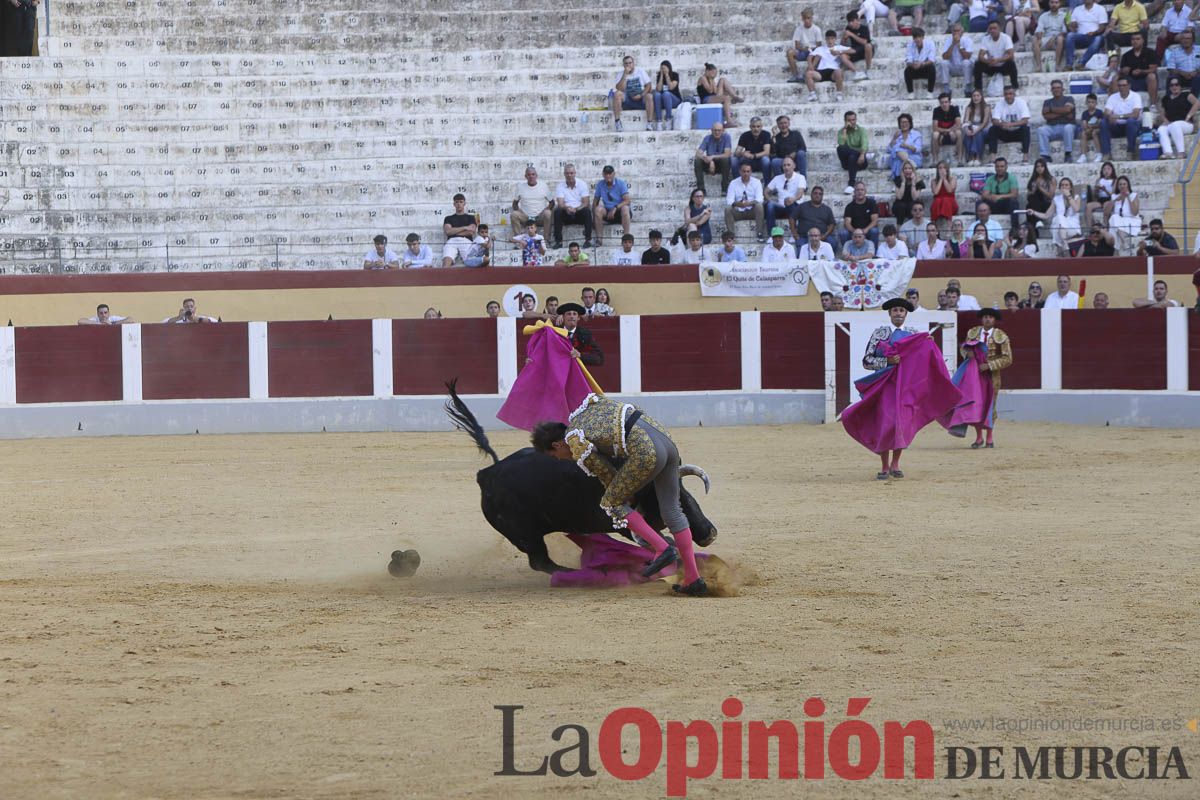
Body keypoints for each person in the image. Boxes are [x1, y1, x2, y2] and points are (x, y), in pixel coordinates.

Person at [531, 395, 707, 596]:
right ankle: (693, 579)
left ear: (556, 445)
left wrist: (624, 495)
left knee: (611, 503)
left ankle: (662, 548)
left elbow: (605, 472)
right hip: (666, 441)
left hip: (645, 451)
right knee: (673, 510)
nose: (560, 459)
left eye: (555, 456)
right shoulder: (590, 409)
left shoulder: (574, 439)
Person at [853, 297, 926, 479]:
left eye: (901, 311)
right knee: (885, 424)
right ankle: (885, 466)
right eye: (895, 311)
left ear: (906, 314)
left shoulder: (913, 334)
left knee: (902, 423)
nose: (898, 314)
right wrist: (887, 361)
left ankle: (896, 463)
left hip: (905, 387)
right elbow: (867, 361)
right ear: (890, 313)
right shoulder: (880, 334)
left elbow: (920, 362)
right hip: (885, 386)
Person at [949, 308, 1013, 448]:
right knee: (976, 405)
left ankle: (989, 438)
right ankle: (979, 438)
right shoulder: (973, 333)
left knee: (990, 405)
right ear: (981, 319)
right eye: (985, 317)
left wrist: (989, 365)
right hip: (974, 375)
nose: (987, 319)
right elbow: (963, 348)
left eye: (990, 317)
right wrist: (967, 354)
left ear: (994, 320)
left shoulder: (1001, 336)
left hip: (992, 376)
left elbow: (1008, 358)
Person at [1028, 176, 1081, 255]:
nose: (1064, 187)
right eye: (1062, 185)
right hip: (1060, 227)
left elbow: (1076, 209)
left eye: (1066, 185)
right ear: (1059, 188)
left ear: (1070, 187)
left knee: (1059, 219)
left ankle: (1061, 246)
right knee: (1058, 218)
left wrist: (1069, 196)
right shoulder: (1056, 199)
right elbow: (1046, 215)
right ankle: (1064, 244)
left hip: (1072, 226)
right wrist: (1034, 212)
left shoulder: (1076, 197)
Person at [986, 85, 1031, 163]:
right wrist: (1002, 124)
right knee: (993, 129)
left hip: (1017, 132)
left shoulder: (1021, 102)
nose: (1008, 96)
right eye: (1006, 94)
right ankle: (992, 158)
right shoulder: (1000, 103)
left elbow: (1025, 120)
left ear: (1014, 94)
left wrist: (1011, 124)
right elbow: (994, 120)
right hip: (1005, 132)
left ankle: (1025, 157)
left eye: (1010, 94)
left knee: (1026, 129)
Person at [765, 156, 807, 239]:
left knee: (789, 202)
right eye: (784, 165)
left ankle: (793, 232)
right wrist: (769, 200)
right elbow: (766, 191)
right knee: (770, 205)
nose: (786, 167)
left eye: (788, 165)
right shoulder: (777, 178)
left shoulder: (800, 177)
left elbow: (800, 193)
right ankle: (771, 235)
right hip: (781, 207)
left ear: (794, 166)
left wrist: (793, 199)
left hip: (795, 206)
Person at [1158, 77, 1200, 157]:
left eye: (1176, 85)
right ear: (1169, 87)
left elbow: (1197, 103)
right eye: (1172, 85)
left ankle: (1181, 152)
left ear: (1180, 86)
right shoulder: (1166, 99)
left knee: (1175, 125)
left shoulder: (1186, 95)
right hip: (1171, 124)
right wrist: (1165, 120)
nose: (1174, 87)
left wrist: (1189, 115)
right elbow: (1162, 113)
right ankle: (1168, 152)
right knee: (1161, 129)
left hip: (1186, 124)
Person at [554, 163, 593, 249]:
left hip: (579, 212)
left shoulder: (582, 184)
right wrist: (567, 208)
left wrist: (576, 209)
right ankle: (558, 241)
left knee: (587, 211)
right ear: (564, 174)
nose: (569, 175)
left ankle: (588, 240)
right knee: (557, 211)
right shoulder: (560, 186)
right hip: (566, 212)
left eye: (571, 173)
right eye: (567, 173)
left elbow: (586, 202)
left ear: (575, 173)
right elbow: (560, 203)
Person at [725, 162, 766, 243]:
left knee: (759, 206)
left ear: (751, 172)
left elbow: (760, 199)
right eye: (744, 171)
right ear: (740, 171)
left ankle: (760, 233)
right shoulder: (733, 183)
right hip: (738, 211)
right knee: (728, 209)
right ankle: (731, 236)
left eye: (748, 171)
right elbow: (729, 201)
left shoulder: (757, 182)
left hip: (752, 211)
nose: (746, 174)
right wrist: (738, 204)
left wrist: (749, 203)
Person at [611, 55, 654, 132]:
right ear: (623, 65)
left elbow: (649, 85)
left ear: (633, 63)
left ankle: (649, 123)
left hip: (641, 99)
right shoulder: (621, 74)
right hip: (628, 100)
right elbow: (619, 88)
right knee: (617, 94)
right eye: (626, 63)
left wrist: (641, 95)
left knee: (649, 96)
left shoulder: (640, 71)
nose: (628, 65)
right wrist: (625, 75)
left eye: (630, 63)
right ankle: (617, 122)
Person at [805, 29, 851, 102]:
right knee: (808, 73)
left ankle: (839, 94)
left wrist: (839, 52)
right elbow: (809, 57)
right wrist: (810, 65)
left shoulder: (839, 47)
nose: (830, 41)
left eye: (832, 38)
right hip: (821, 72)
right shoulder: (820, 48)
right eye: (828, 39)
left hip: (833, 72)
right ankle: (812, 94)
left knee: (839, 72)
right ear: (825, 39)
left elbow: (852, 50)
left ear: (835, 39)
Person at [592, 165, 631, 246]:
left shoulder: (621, 183)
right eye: (606, 174)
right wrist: (594, 217)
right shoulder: (600, 184)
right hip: (608, 213)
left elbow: (627, 200)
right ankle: (599, 240)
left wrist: (615, 208)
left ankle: (626, 238)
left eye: (610, 174)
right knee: (598, 209)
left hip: (620, 212)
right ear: (603, 174)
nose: (608, 176)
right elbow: (595, 201)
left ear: (614, 174)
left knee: (625, 208)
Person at [1064, 0, 1109, 71]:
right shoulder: (1077, 9)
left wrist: (1094, 33)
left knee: (1099, 38)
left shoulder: (1100, 9)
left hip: (1095, 36)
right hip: (1081, 36)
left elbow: (1102, 27)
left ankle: (1081, 63)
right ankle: (1069, 64)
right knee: (1070, 35)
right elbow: (1072, 24)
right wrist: (1071, 25)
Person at [974, 21, 1018, 93]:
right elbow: (980, 56)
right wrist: (988, 61)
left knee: (1011, 63)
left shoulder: (1006, 38)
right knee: (978, 64)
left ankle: (1015, 87)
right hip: (991, 66)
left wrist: (998, 60)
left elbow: (1011, 55)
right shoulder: (986, 39)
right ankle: (978, 89)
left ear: (999, 29)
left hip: (1003, 66)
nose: (992, 30)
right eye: (990, 28)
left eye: (994, 28)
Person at [1038, 80, 1076, 163]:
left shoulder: (1069, 99)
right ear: (1051, 90)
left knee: (1068, 128)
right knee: (1041, 130)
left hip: (1066, 127)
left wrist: (1051, 110)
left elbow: (1068, 109)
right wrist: (1064, 113)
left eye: (1058, 87)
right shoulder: (1047, 102)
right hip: (1051, 127)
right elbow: (1046, 115)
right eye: (1054, 88)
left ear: (1063, 89)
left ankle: (1068, 154)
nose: (1056, 90)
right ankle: (1045, 156)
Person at [1104, 79, 1144, 157]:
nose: (1121, 88)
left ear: (1129, 86)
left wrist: (1118, 116)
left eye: (1124, 85)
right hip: (1117, 126)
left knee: (1131, 121)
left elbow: (1135, 114)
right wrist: (1109, 116)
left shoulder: (1136, 96)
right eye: (1119, 86)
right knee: (1104, 122)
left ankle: (1131, 151)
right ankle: (1106, 153)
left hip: (1132, 127)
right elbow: (1106, 112)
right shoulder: (1113, 97)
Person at [511, 166, 554, 238]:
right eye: (529, 175)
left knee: (548, 213)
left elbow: (552, 202)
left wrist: (546, 209)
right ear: (525, 176)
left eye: (533, 174)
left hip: (539, 217)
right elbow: (515, 204)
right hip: (526, 217)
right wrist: (520, 211)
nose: (531, 176)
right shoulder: (520, 187)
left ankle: (546, 240)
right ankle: (518, 241)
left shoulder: (543, 186)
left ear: (536, 175)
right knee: (514, 214)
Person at [696, 63, 743, 127]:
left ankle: (734, 96)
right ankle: (729, 121)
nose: (714, 75)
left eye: (715, 73)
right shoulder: (702, 78)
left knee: (722, 80)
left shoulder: (711, 79)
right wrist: (711, 79)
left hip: (713, 97)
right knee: (726, 98)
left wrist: (712, 80)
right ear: (707, 71)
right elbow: (709, 90)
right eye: (712, 72)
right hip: (706, 99)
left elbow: (715, 92)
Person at [1119, 32, 1160, 106]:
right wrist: (1124, 70)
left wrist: (1142, 71)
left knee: (1152, 76)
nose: (1135, 41)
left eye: (1138, 39)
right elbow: (1122, 71)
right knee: (1116, 78)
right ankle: (1116, 105)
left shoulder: (1150, 52)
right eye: (1133, 39)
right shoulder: (1126, 55)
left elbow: (1153, 69)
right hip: (1131, 82)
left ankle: (1153, 105)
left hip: (1146, 82)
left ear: (1143, 40)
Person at [693, 122, 734, 193]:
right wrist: (710, 161)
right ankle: (701, 189)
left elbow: (727, 154)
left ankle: (724, 189)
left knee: (726, 160)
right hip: (709, 164)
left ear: (723, 130)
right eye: (715, 130)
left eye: (719, 130)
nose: (717, 132)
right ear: (711, 130)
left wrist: (712, 157)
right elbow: (698, 153)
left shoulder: (727, 137)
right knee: (697, 161)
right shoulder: (707, 138)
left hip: (721, 165)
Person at [787, 8, 825, 82]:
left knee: (819, 54)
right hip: (803, 51)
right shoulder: (799, 29)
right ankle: (796, 75)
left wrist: (812, 52)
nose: (807, 20)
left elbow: (819, 46)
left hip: (813, 51)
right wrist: (803, 49)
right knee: (790, 52)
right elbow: (797, 45)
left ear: (812, 18)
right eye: (805, 18)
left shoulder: (816, 29)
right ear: (802, 19)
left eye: (808, 18)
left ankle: (806, 75)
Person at [938, 23, 977, 95]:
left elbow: (967, 56)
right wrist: (952, 44)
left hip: (963, 67)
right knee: (944, 63)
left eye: (958, 31)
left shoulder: (967, 40)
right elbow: (945, 57)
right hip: (953, 67)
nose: (956, 33)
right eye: (954, 31)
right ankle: (946, 88)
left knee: (966, 62)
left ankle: (968, 87)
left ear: (962, 31)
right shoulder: (948, 40)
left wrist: (959, 45)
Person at [839, 181, 880, 249]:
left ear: (865, 192)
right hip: (854, 232)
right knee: (843, 233)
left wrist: (865, 230)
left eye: (862, 190)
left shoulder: (871, 203)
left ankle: (873, 255)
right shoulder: (849, 206)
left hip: (867, 231)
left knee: (874, 231)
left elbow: (875, 221)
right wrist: (856, 232)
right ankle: (847, 254)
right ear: (854, 192)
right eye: (857, 190)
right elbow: (847, 223)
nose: (860, 192)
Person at [836, 110, 869, 193]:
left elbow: (865, 144)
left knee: (852, 156)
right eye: (849, 120)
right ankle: (854, 155)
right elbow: (841, 144)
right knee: (840, 148)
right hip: (847, 163)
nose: (851, 122)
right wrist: (845, 131)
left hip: (860, 161)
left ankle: (851, 184)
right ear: (845, 121)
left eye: (853, 120)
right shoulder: (841, 131)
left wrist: (861, 155)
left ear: (856, 120)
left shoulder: (861, 130)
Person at [1107, 175, 1141, 255]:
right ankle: (1124, 242)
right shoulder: (1114, 196)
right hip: (1119, 222)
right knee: (1113, 217)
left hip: (1132, 221)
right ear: (1117, 186)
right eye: (1120, 184)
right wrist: (1115, 200)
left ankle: (1116, 252)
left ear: (1128, 185)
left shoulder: (1133, 195)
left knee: (1114, 229)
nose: (1122, 186)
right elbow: (1106, 212)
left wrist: (1128, 197)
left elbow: (1135, 212)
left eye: (1124, 184)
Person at [732, 117, 773, 181]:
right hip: (748, 161)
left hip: (760, 160)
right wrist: (743, 153)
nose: (756, 129)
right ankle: (737, 183)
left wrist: (753, 156)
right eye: (753, 126)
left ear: (761, 127)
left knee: (766, 160)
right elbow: (736, 153)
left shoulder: (766, 134)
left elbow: (766, 152)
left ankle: (767, 183)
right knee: (734, 160)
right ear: (750, 127)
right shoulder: (744, 135)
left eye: (758, 126)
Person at [981, 157, 1019, 221]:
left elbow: (1015, 194)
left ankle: (1014, 228)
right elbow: (984, 194)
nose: (999, 169)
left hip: (1006, 204)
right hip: (993, 204)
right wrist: (992, 197)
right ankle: (979, 226)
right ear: (995, 168)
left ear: (1006, 167)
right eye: (997, 166)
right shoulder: (990, 179)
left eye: (1002, 166)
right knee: (980, 203)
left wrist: (1000, 196)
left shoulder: (1012, 178)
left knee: (1013, 202)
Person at [1034, 0, 1068, 72]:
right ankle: (1039, 66)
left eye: (1056, 3)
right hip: (1046, 38)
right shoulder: (1043, 16)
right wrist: (1039, 34)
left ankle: (1057, 65)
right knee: (1035, 40)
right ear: (1049, 4)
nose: (1054, 5)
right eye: (1052, 2)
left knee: (1060, 39)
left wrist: (1054, 38)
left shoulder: (1064, 15)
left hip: (1058, 39)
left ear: (1060, 4)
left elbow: (1064, 32)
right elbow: (1038, 29)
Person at [1164, 28, 1200, 97]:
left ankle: (1193, 102)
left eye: (1188, 38)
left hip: (1197, 75)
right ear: (1180, 40)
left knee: (1198, 78)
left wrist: (1196, 72)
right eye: (1183, 38)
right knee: (1171, 78)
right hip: (1181, 77)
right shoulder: (1175, 51)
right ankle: (1169, 102)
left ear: (1193, 40)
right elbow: (1171, 68)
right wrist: (1182, 73)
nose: (1186, 41)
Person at [887, 113, 924, 178]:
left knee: (897, 161)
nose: (904, 124)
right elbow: (889, 150)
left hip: (913, 158)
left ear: (910, 123)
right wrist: (894, 138)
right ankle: (909, 164)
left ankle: (899, 181)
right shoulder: (897, 135)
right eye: (901, 122)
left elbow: (918, 149)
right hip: (901, 160)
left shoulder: (916, 134)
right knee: (896, 150)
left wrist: (907, 146)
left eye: (906, 122)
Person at [1078, 94, 1112, 163]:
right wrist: (1088, 128)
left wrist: (1091, 127)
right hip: (1089, 130)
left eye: (1092, 102)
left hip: (1097, 130)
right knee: (1083, 133)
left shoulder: (1099, 112)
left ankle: (1099, 153)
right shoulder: (1085, 113)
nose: (1090, 104)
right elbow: (1084, 124)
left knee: (1094, 133)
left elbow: (1099, 124)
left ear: (1096, 103)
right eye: (1089, 102)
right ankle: (1083, 155)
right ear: (1086, 103)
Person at [904, 28, 937, 98]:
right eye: (915, 37)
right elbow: (908, 60)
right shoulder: (910, 45)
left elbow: (931, 59)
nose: (918, 39)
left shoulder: (930, 44)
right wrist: (913, 64)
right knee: (907, 71)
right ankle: (910, 93)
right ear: (913, 38)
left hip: (925, 67)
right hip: (915, 67)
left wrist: (922, 64)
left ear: (923, 37)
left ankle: (930, 92)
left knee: (932, 68)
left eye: (919, 37)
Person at [962, 89, 992, 167]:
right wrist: (966, 130)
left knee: (977, 134)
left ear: (981, 97)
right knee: (968, 135)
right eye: (974, 96)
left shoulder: (986, 107)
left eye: (978, 95)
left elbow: (984, 123)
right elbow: (965, 121)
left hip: (984, 129)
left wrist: (976, 130)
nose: (976, 98)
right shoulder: (969, 108)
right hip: (972, 128)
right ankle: (971, 158)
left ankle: (977, 157)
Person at [892, 161, 925, 228]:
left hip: (912, 204)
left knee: (912, 206)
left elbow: (914, 198)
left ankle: (913, 228)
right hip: (899, 204)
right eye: (905, 168)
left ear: (913, 170)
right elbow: (899, 197)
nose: (907, 170)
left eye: (910, 168)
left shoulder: (918, 182)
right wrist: (903, 182)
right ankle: (899, 229)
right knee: (901, 206)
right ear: (902, 170)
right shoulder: (898, 179)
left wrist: (913, 182)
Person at [931, 94, 963, 163]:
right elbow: (935, 127)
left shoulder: (954, 109)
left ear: (949, 102)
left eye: (946, 102)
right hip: (941, 134)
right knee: (935, 134)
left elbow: (958, 124)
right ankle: (935, 160)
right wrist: (947, 131)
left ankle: (959, 159)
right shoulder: (936, 110)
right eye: (942, 102)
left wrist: (950, 131)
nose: (944, 104)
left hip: (952, 134)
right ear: (939, 103)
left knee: (959, 133)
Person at [1025, 158, 1055, 232]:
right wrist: (1033, 191)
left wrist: (1040, 188)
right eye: (1037, 166)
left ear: (1045, 167)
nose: (1039, 168)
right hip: (1034, 202)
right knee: (1029, 204)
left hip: (1046, 203)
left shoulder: (1051, 179)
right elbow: (1028, 196)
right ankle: (1037, 223)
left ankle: (1036, 224)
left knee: (1029, 207)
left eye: (1042, 166)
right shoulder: (1033, 179)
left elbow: (1051, 196)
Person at [841, 12, 873, 78]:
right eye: (849, 21)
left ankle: (868, 69)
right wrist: (844, 37)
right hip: (855, 50)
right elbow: (842, 45)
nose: (851, 23)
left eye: (852, 21)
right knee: (843, 56)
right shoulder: (848, 28)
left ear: (857, 20)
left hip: (865, 50)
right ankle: (857, 72)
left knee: (868, 46)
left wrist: (851, 34)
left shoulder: (864, 28)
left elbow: (865, 42)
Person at [1085, 160, 1118, 226]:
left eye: (1108, 169)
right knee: (1088, 206)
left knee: (1106, 206)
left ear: (1112, 170)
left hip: (1109, 199)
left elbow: (1113, 195)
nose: (1106, 171)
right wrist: (1096, 190)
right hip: (1100, 200)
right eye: (1104, 169)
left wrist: (1105, 190)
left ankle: (1105, 226)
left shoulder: (1115, 180)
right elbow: (1094, 196)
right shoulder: (1099, 180)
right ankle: (1090, 227)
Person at [652, 60, 682, 131]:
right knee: (656, 95)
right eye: (662, 68)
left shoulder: (675, 75)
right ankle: (659, 121)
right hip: (663, 100)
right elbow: (658, 89)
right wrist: (662, 76)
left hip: (674, 99)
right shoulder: (659, 76)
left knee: (666, 94)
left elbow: (671, 87)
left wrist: (667, 75)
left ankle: (669, 119)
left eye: (664, 68)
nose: (663, 70)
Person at [930, 162, 959, 230]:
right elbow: (936, 192)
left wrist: (945, 179)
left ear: (947, 169)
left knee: (946, 200)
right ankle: (934, 226)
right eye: (940, 168)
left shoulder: (952, 179)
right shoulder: (933, 181)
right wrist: (940, 179)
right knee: (937, 200)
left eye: (944, 167)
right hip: (938, 203)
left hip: (950, 202)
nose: (942, 169)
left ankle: (949, 226)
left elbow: (949, 190)